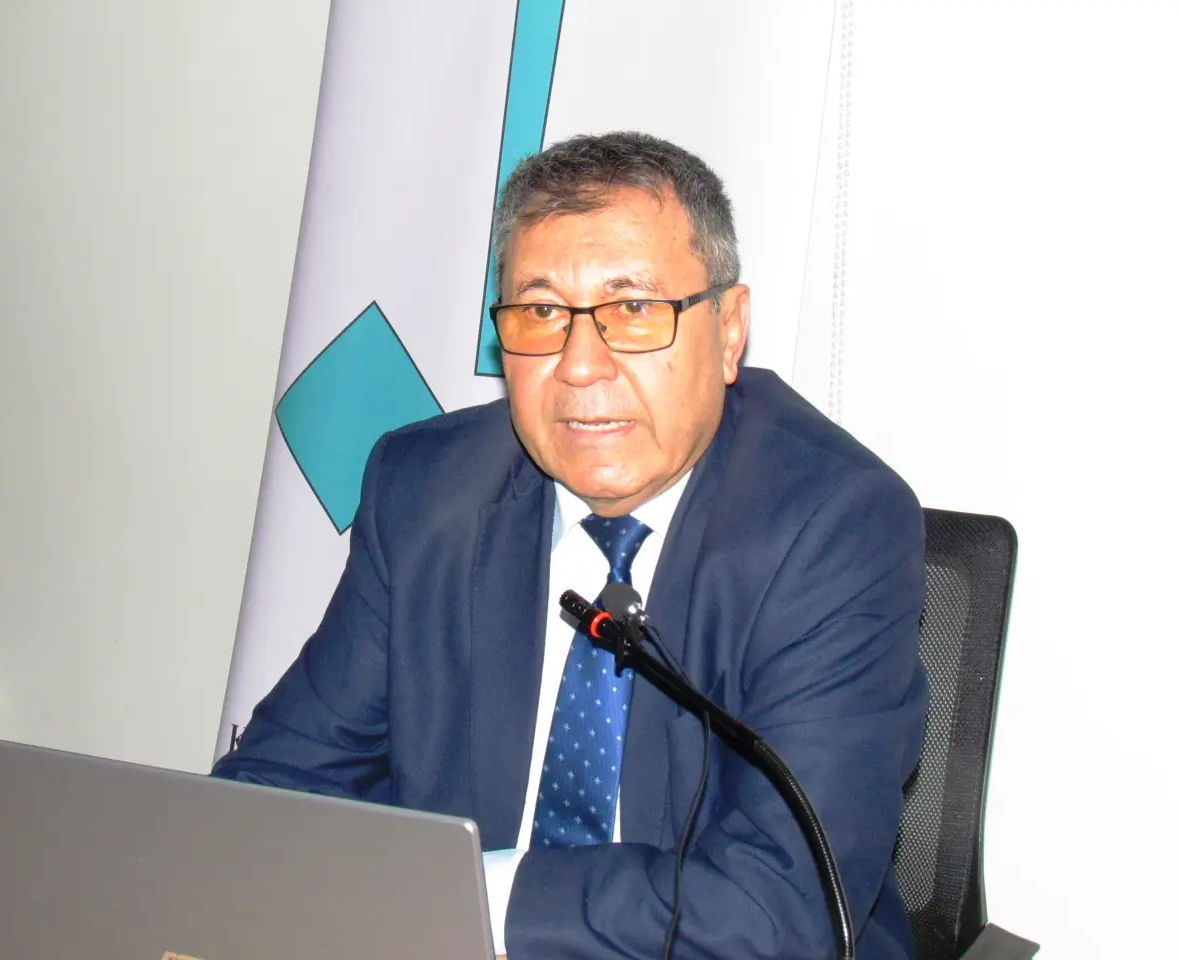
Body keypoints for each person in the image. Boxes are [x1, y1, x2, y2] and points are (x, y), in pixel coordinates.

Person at [212, 131, 929, 959]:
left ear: (729, 330)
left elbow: (777, 912)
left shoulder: (833, 525)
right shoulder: (426, 493)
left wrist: (460, 897)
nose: (580, 366)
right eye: (542, 313)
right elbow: (274, 790)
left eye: (634, 310)